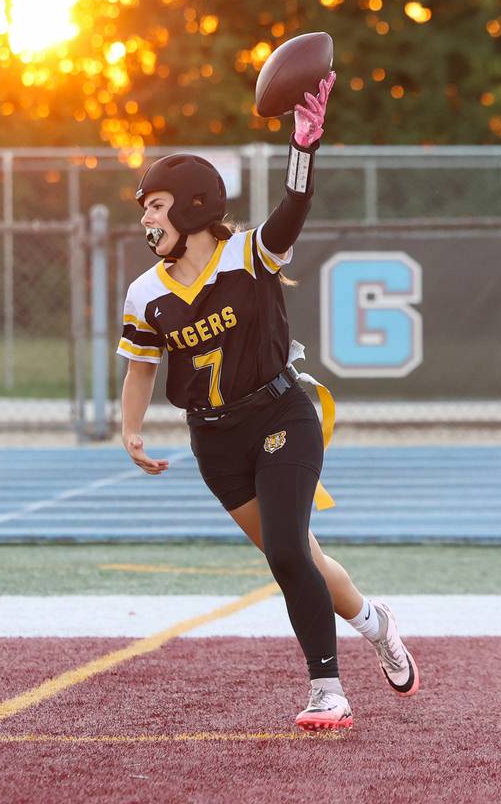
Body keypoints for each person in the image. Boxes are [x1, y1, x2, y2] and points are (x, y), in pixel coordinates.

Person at [117, 75, 419, 731]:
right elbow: (141, 367)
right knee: (301, 555)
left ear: (193, 206)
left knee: (286, 552)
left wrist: (303, 144)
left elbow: (295, 203)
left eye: (157, 204)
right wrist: (130, 429)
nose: (146, 218)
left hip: (280, 415)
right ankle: (376, 623)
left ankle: (327, 690)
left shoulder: (248, 255)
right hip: (214, 442)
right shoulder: (146, 293)